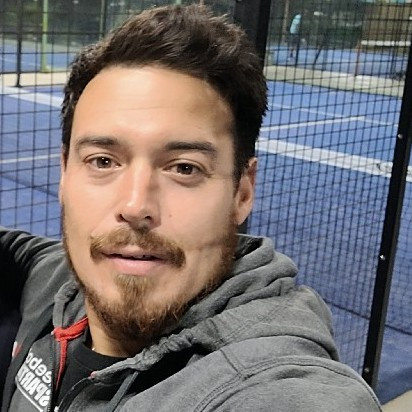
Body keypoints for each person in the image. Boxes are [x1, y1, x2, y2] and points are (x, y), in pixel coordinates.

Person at [0, 4, 381, 411]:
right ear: (65, 174)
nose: (135, 206)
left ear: (242, 193)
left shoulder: (271, 386)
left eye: (184, 168)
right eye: (103, 161)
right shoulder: (54, 281)